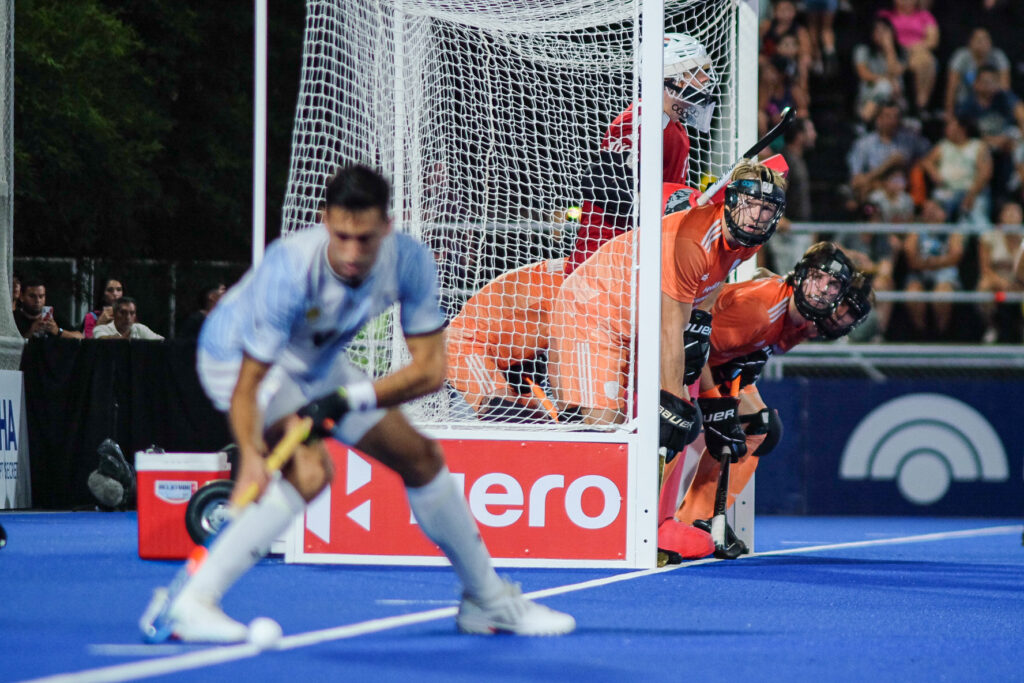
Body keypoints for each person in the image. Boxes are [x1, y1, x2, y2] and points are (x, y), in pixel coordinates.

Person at [139, 165, 574, 643]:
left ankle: (486, 601)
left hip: (318, 361)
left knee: (420, 457)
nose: (351, 254)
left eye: (364, 239)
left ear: (387, 227)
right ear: (325, 220)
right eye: (341, 236)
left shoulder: (408, 262)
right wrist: (251, 459)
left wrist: (347, 398)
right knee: (310, 472)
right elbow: (248, 385)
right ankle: (195, 603)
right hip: (237, 360)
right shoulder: (290, 269)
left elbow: (430, 371)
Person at [549, 160, 787, 438]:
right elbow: (670, 330)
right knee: (606, 430)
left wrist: (701, 319)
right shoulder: (693, 241)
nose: (756, 215)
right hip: (594, 310)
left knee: (669, 427)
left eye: (766, 208)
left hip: (639, 322)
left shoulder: (748, 239)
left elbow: (716, 277)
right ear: (731, 200)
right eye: (750, 203)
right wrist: (675, 405)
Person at [663, 263, 869, 554]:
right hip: (683, 357)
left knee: (760, 426)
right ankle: (651, 521)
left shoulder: (804, 323)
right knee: (680, 421)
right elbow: (696, 347)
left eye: (849, 316)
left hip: (717, 362)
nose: (841, 320)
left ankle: (698, 519)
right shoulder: (763, 310)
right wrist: (715, 403)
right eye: (843, 308)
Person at [569, 32, 717, 273]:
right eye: (697, 71)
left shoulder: (675, 128)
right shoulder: (637, 120)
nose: (706, 78)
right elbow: (603, 184)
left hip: (641, 260)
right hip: (603, 264)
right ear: (673, 79)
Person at [446, 258, 566, 423]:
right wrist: (569, 414)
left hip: (514, 360)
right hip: (469, 342)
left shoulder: (579, 275)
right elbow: (559, 361)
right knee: (503, 411)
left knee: (543, 426)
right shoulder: (568, 283)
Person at [902, 199, 965, 340]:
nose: (930, 213)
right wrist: (934, 263)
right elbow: (911, 258)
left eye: (935, 209)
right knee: (913, 295)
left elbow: (956, 256)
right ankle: (921, 334)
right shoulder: (916, 231)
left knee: (942, 295)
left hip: (945, 273)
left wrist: (929, 263)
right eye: (927, 210)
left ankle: (941, 333)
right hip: (919, 274)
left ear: (944, 213)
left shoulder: (952, 230)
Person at [919, 115, 993, 227]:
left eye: (950, 126)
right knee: (931, 208)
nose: (946, 129)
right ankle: (934, 235)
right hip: (947, 191)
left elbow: (985, 173)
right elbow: (926, 161)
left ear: (961, 129)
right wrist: (934, 173)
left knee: (977, 218)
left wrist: (972, 194)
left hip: (971, 192)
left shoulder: (978, 146)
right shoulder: (943, 146)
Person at [877, 0, 939, 114]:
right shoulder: (886, 15)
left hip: (917, 50)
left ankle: (921, 104)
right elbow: (880, 35)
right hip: (892, 50)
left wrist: (914, 47)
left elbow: (933, 40)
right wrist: (893, 49)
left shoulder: (924, 16)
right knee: (890, 52)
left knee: (926, 60)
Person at [977, 200, 1023, 343]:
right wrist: (1002, 283)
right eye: (1007, 212)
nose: (1011, 215)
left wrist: (1019, 282)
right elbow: (985, 269)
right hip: (998, 285)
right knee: (984, 286)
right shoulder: (989, 236)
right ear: (1001, 216)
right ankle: (992, 326)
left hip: (1020, 281)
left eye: (1015, 212)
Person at [943, 28, 1011, 119]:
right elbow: (952, 87)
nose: (981, 43)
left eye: (985, 39)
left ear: (991, 42)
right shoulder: (961, 57)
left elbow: (1005, 87)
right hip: (964, 102)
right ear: (970, 42)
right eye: (978, 40)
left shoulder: (998, 56)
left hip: (993, 103)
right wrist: (949, 114)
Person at [852, 16, 907, 125]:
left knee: (892, 87)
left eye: (885, 31)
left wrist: (889, 49)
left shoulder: (901, 52)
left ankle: (867, 123)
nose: (882, 35)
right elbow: (863, 74)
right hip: (870, 90)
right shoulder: (863, 50)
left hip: (896, 94)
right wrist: (887, 80)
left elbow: (896, 72)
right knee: (884, 87)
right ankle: (865, 120)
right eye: (878, 31)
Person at [13, 278, 84, 340]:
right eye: (32, 296)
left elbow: (80, 336)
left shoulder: (53, 317)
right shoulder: (14, 318)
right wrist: (31, 332)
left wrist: (58, 331)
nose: (37, 300)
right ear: (22, 297)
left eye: (41, 296)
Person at [93, 297, 165, 340]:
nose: (128, 317)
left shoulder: (140, 328)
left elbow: (162, 342)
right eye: (123, 313)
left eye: (132, 313)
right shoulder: (101, 329)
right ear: (114, 314)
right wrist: (120, 339)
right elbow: (101, 339)